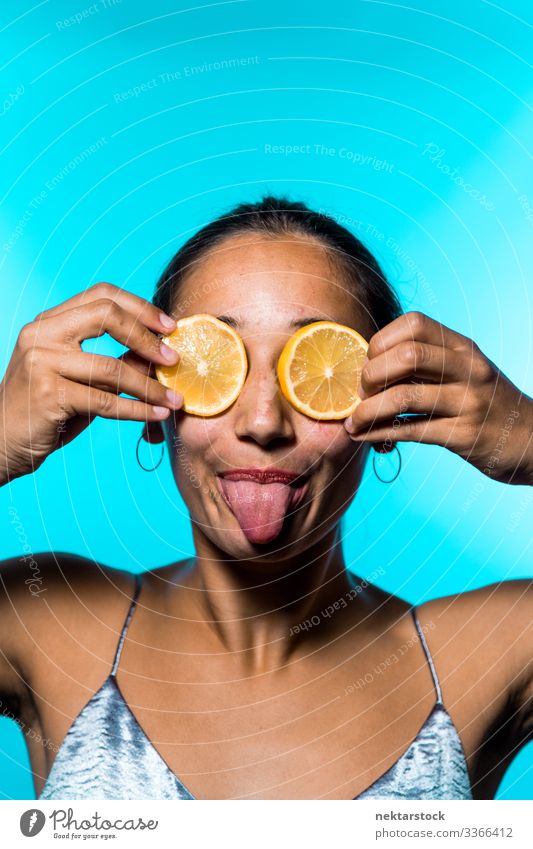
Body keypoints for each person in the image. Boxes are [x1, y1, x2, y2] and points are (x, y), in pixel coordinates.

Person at [0, 196, 531, 801]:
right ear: (151, 402)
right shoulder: (48, 621)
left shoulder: (481, 655)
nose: (262, 421)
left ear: (392, 404)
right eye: (214, 368)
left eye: (314, 373)